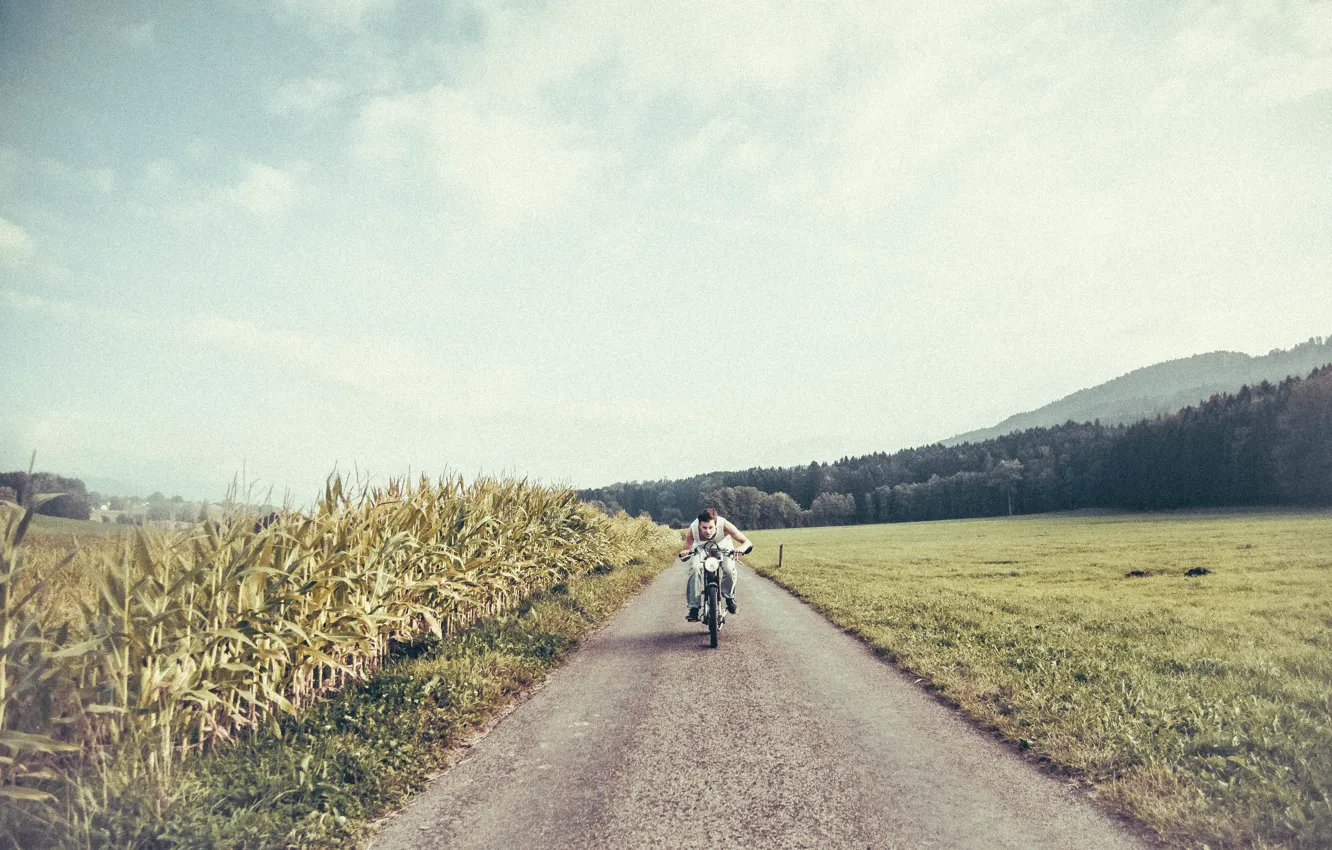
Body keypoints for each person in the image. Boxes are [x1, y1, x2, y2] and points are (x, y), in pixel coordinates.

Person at [679, 508, 752, 622]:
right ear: (699, 526)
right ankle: (693, 608)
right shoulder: (692, 529)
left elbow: (747, 542)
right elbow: (685, 555)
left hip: (723, 547)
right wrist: (685, 553)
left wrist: (741, 549)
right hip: (700, 548)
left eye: (710, 527)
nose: (707, 531)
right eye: (704, 528)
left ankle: (729, 598)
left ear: (716, 525)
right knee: (694, 568)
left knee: (729, 569)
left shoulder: (725, 524)